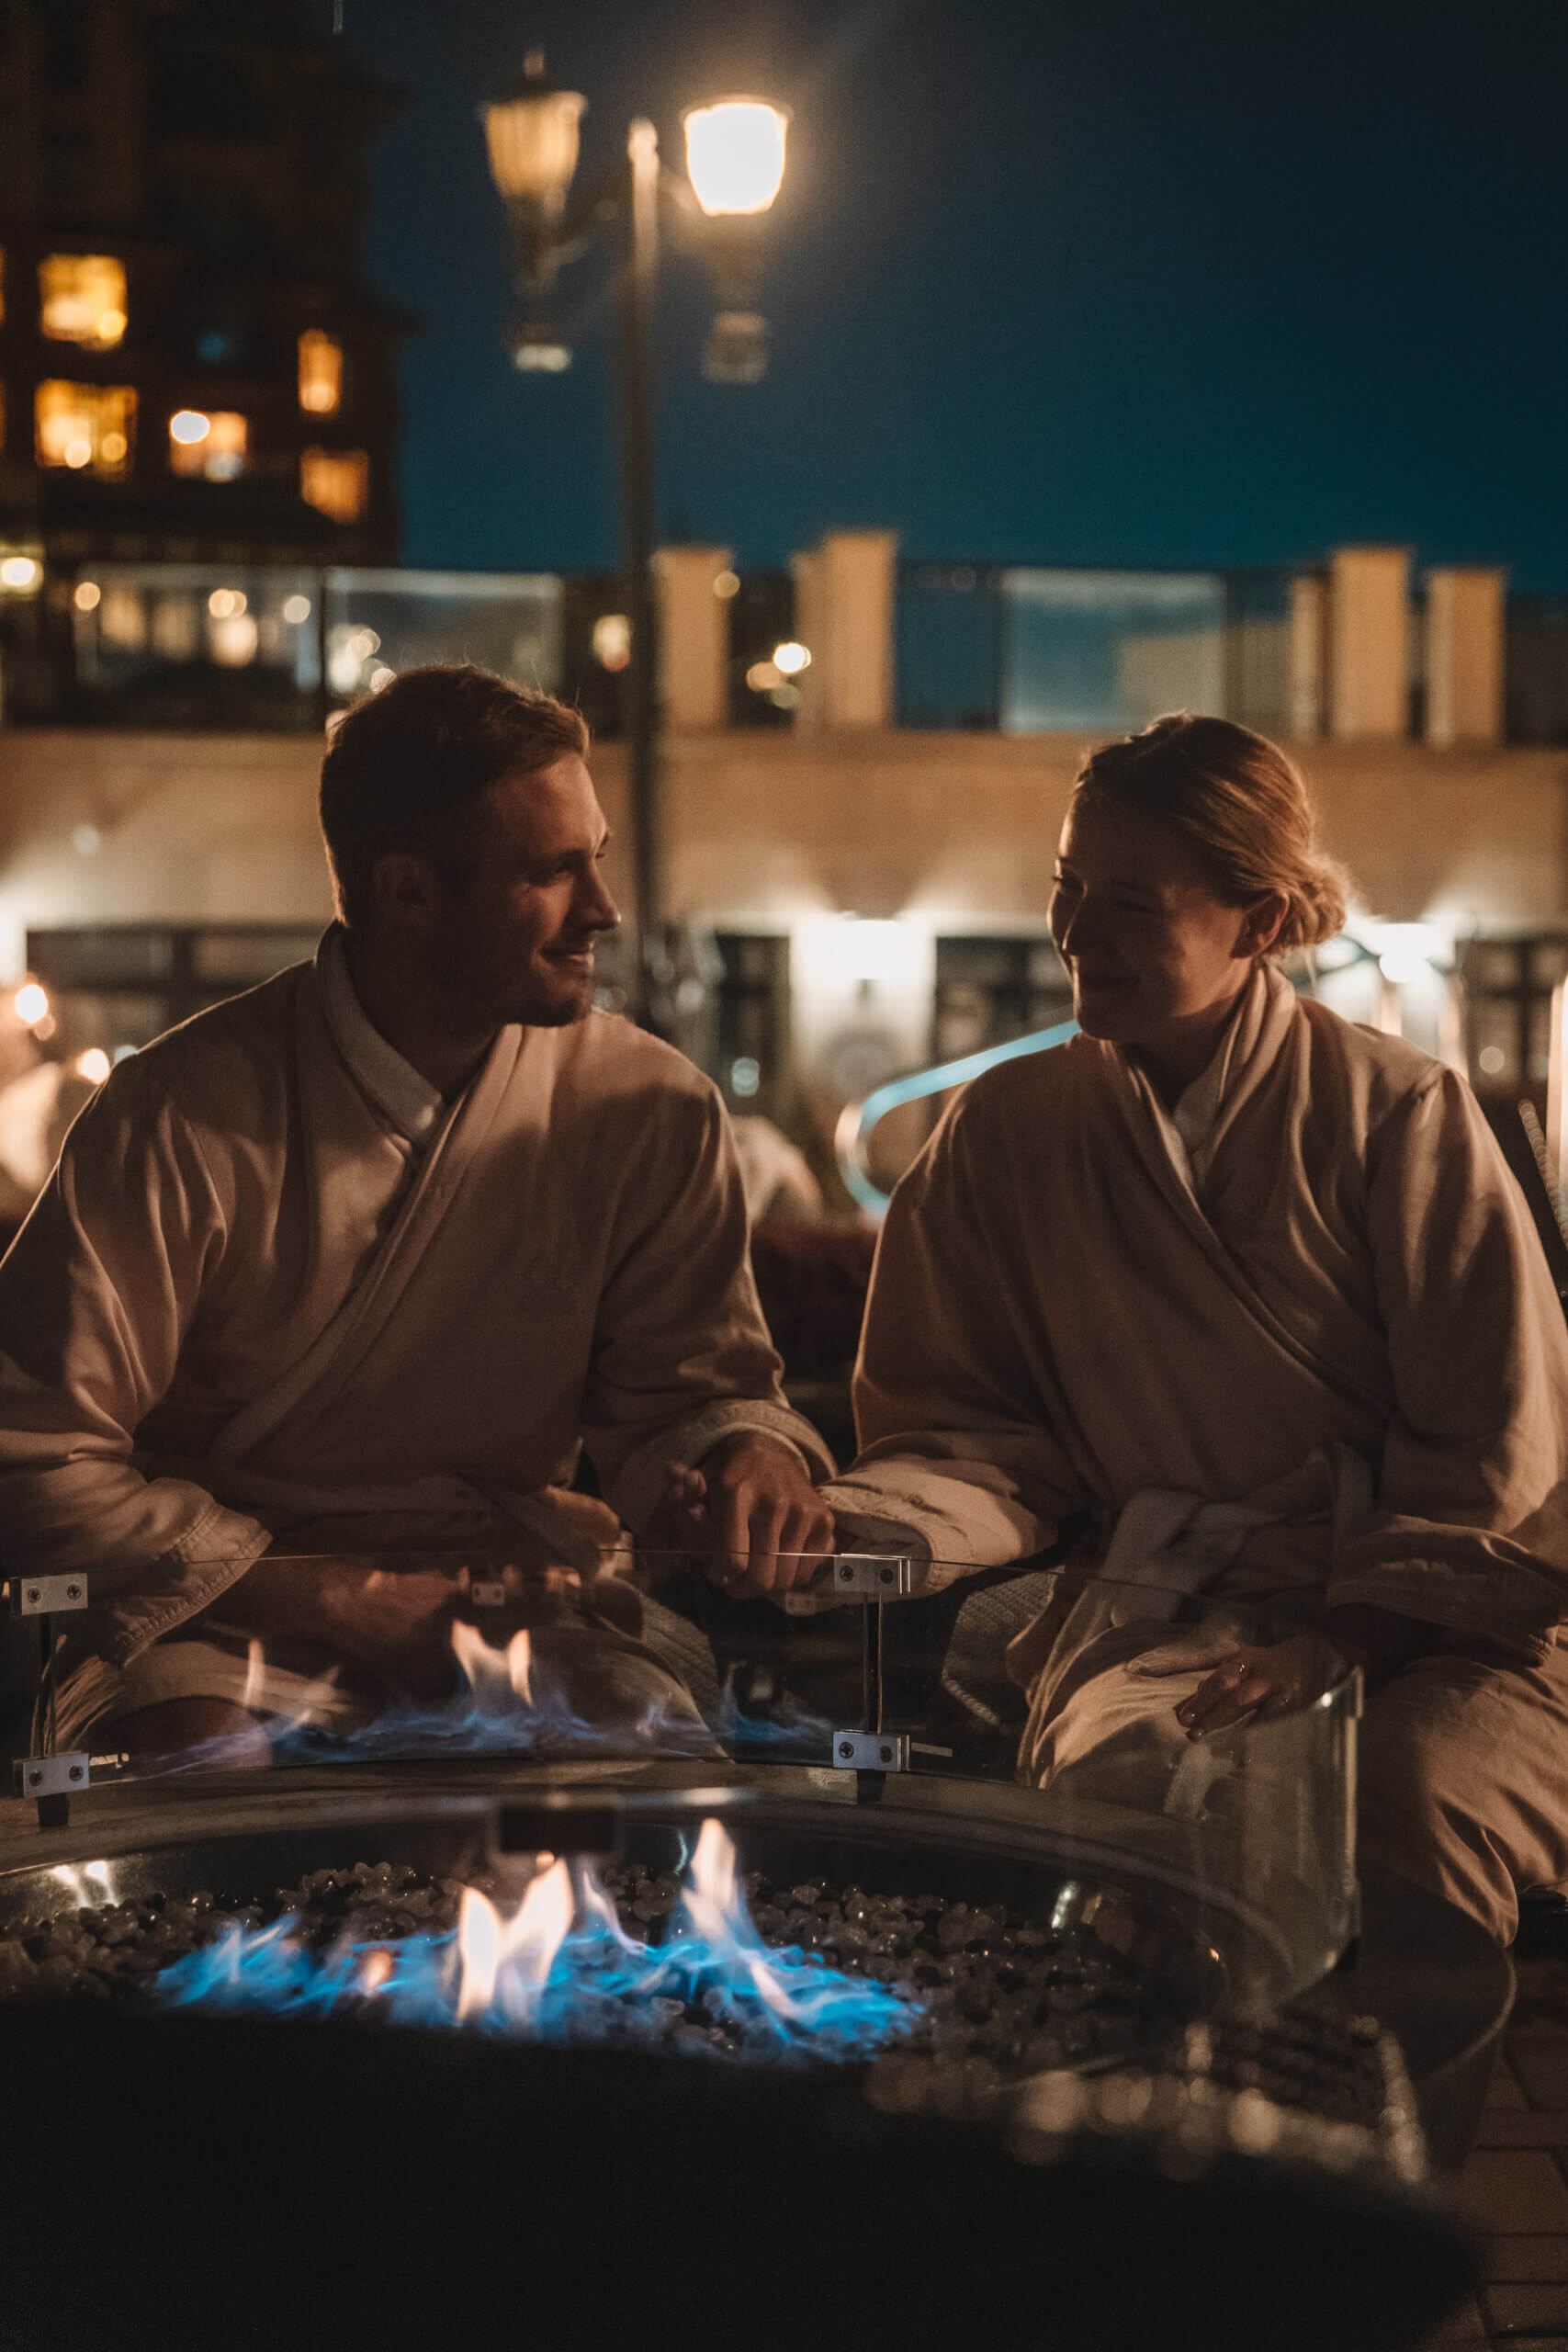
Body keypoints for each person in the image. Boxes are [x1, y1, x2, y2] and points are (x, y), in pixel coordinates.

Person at [0, 666, 834, 1767]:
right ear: (405, 893)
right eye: (553, 872)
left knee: (648, 1784)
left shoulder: (647, 1106)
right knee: (206, 1769)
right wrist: (330, 1596)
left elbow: (692, 1393)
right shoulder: (179, 1111)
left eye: (599, 860)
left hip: (500, 1591)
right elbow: (32, 1454)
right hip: (222, 1611)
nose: (604, 909)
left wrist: (742, 1458)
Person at [824, 712, 1568, 1944]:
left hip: (1455, 1630)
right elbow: (961, 1426)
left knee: (1406, 1796)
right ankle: (1159, 2130)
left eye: (1128, 905)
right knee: (1140, 1792)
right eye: (1065, 890)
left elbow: (1494, 1449)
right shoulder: (1004, 1132)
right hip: (1179, 1613)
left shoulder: (1397, 1114)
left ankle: (1379, 2124)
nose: (1075, 935)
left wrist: (1339, 1641)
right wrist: (847, 1520)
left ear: (1257, 922)